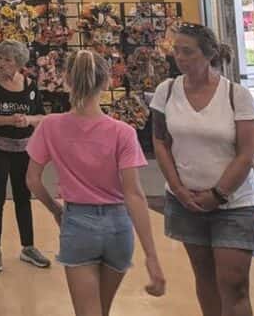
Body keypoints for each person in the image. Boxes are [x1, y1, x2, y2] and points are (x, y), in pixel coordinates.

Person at [26, 50, 165, 315]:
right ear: (107, 82)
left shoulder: (50, 126)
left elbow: (32, 180)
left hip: (77, 223)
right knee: (103, 309)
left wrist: (56, 211)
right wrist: (152, 256)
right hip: (118, 226)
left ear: (66, 80)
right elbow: (134, 194)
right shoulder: (123, 132)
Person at [151, 23, 254, 316]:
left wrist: (218, 194)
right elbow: (160, 142)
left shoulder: (236, 95)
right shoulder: (167, 90)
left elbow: (247, 154)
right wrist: (177, 189)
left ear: (208, 54)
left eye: (187, 51)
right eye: (176, 51)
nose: (180, 57)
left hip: (233, 203)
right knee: (205, 277)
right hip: (185, 202)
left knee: (234, 283)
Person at [0, 40, 49, 272]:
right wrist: (7, 120)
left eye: (7, 60)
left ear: (18, 63)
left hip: (23, 148)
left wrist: (28, 120)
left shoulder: (31, 86)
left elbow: (41, 117)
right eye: (0, 58)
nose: (2, 64)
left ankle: (28, 246)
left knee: (23, 195)